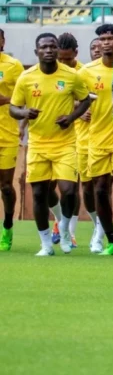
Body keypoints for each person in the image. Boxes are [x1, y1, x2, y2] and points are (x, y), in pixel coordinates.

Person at [10, 33, 92, 255]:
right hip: (37, 144)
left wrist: (71, 117)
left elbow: (86, 100)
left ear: (57, 50)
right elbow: (13, 108)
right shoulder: (26, 78)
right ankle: (45, 243)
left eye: (52, 47)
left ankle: (64, 230)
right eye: (44, 47)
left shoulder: (71, 76)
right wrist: (25, 112)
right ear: (36, 51)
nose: (48, 50)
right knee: (39, 194)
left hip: (65, 143)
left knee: (69, 191)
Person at [79, 24, 113, 256]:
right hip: (97, 139)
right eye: (102, 39)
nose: (105, 42)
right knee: (100, 191)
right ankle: (111, 241)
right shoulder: (86, 72)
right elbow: (74, 99)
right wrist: (80, 111)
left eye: (110, 38)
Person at [56, 33, 103, 250]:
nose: (63, 63)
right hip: (57, 138)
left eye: (67, 59)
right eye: (60, 59)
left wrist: (82, 109)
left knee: (80, 188)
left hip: (84, 137)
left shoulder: (84, 73)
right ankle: (61, 224)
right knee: (53, 188)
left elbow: (92, 98)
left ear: (75, 53)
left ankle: (78, 230)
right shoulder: (51, 70)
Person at [0, 29, 24, 251]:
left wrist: (5, 99)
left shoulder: (13, 65)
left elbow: (21, 97)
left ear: (3, 40)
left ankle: (7, 224)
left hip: (5, 133)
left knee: (6, 186)